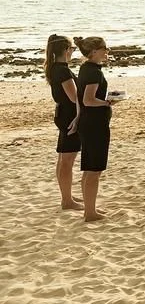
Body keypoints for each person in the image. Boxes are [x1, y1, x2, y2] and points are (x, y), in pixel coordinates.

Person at [75, 36, 117, 222]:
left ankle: (89, 209)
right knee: (93, 170)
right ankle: (90, 212)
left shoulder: (87, 68)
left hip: (89, 123)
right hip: (94, 125)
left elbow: (84, 99)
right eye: (103, 48)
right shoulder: (93, 72)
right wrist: (107, 102)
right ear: (93, 52)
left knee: (89, 169)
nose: (106, 51)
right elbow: (88, 100)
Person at [45, 34, 83, 211]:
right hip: (69, 116)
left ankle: (66, 195)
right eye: (72, 49)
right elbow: (75, 97)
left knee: (63, 158)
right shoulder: (63, 71)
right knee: (68, 159)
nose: (73, 52)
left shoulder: (54, 68)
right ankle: (67, 200)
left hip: (62, 114)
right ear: (66, 50)